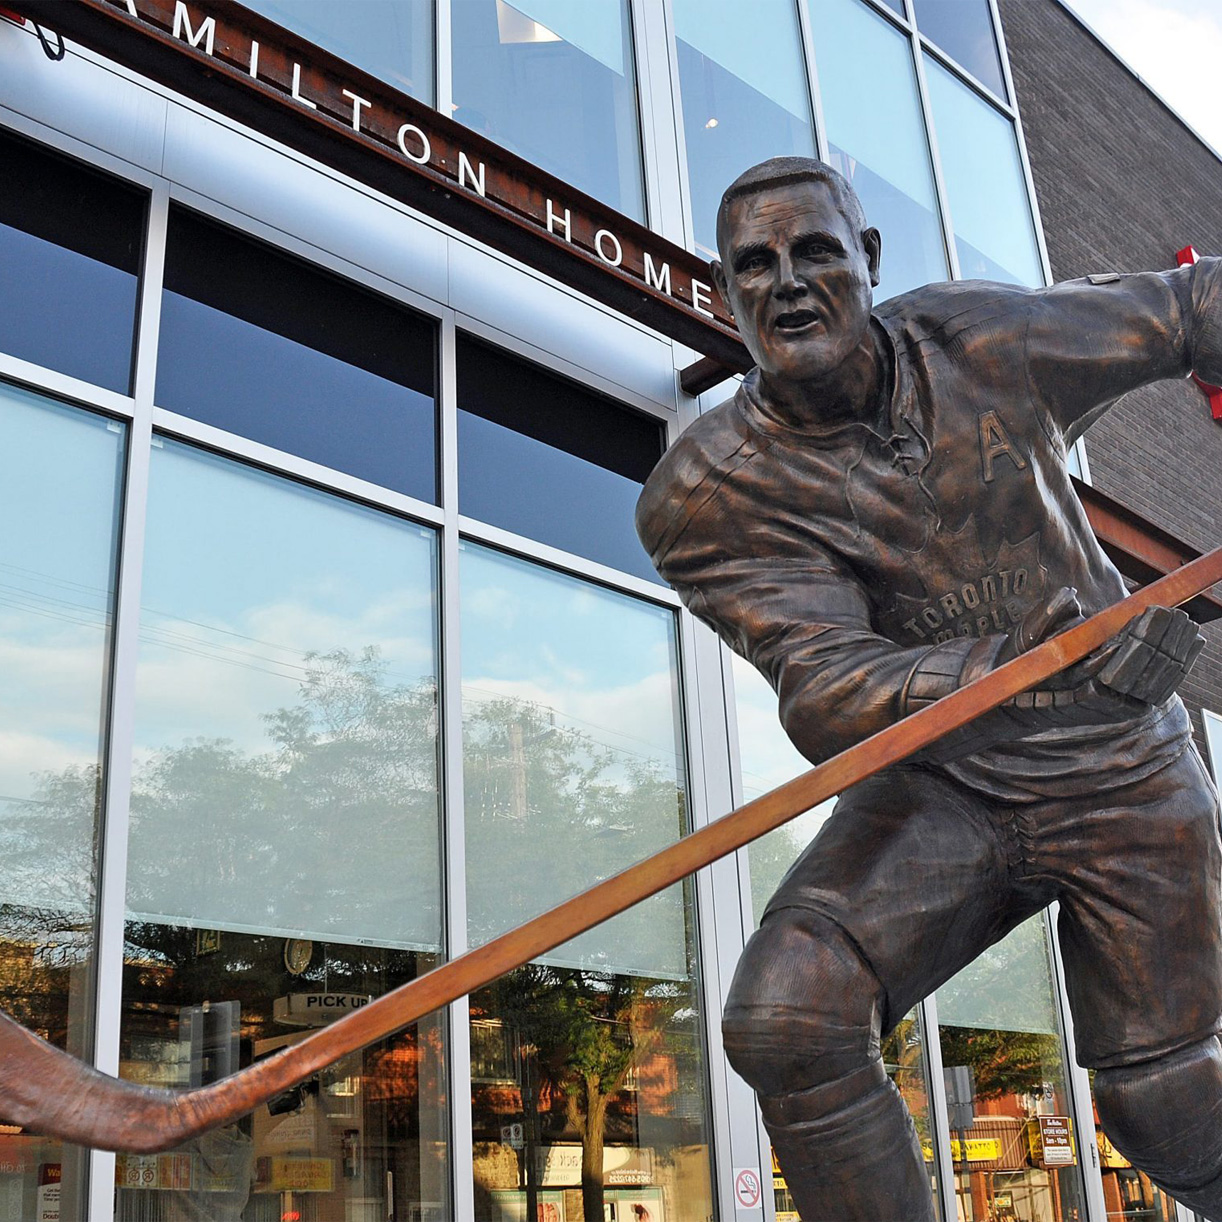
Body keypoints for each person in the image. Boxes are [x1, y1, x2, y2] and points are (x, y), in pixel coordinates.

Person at [635, 156, 1222, 1221]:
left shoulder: (984, 340)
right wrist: (1009, 672)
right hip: (940, 787)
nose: (787, 284)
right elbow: (826, 691)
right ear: (724, 291)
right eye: (754, 265)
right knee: (789, 1013)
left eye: (815, 251)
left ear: (867, 259)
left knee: (1166, 1103)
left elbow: (1187, 307)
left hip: (1120, 767)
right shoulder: (706, 494)